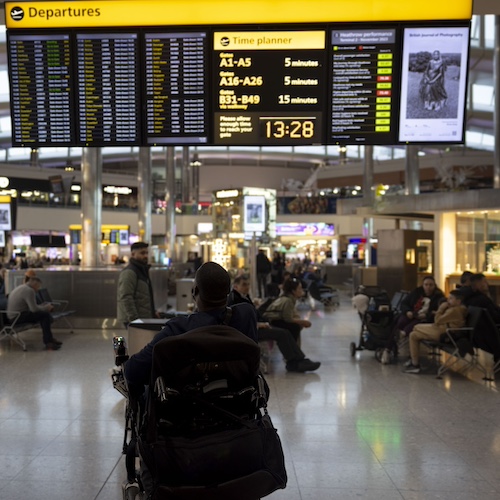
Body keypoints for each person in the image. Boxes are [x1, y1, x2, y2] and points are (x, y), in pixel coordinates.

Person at [124, 262, 259, 398]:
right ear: (228, 292)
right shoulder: (245, 316)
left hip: (186, 410)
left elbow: (133, 371)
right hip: (238, 405)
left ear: (194, 291)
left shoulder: (178, 328)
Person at [227, 275, 320, 373]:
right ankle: (294, 362)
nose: (247, 287)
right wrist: (258, 324)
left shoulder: (244, 298)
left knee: (285, 332)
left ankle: (298, 360)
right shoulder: (236, 300)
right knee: (282, 334)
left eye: (248, 284)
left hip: (256, 326)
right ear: (235, 286)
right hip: (250, 331)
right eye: (244, 285)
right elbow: (239, 321)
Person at [404, 289, 467, 373]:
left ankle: (414, 363)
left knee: (416, 327)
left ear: (458, 301)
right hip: (442, 329)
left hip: (444, 333)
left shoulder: (454, 310)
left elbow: (437, 320)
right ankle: (415, 363)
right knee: (413, 335)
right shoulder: (457, 309)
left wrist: (440, 308)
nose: (448, 301)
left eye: (451, 298)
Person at [6, 276, 62, 350]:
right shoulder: (29, 291)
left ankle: (49, 339)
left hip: (13, 316)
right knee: (44, 315)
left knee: (44, 314)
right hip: (18, 317)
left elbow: (32, 307)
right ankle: (48, 342)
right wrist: (46, 308)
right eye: (38, 287)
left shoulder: (21, 287)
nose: (38, 289)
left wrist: (41, 307)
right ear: (35, 285)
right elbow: (34, 309)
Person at [117, 242, 161, 328]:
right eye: (142, 253)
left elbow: (144, 295)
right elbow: (126, 297)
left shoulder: (142, 270)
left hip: (143, 317)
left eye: (147, 253)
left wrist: (152, 311)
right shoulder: (129, 272)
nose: (145, 256)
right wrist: (134, 319)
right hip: (135, 319)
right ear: (133, 254)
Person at [263, 277, 312, 345]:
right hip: (273, 320)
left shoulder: (286, 298)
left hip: (273, 319)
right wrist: (303, 322)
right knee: (295, 327)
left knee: (296, 325)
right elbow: (288, 319)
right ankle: (293, 349)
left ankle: (295, 350)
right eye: (299, 288)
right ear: (293, 291)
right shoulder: (288, 301)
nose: (301, 290)